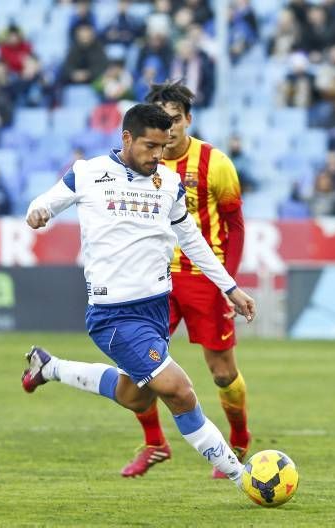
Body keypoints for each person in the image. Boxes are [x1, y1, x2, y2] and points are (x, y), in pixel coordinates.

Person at [21, 103, 256, 491]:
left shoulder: (168, 184)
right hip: (113, 315)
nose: (157, 156)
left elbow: (192, 241)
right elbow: (43, 202)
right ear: (126, 138)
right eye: (150, 146)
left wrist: (229, 287)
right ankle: (242, 477)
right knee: (179, 391)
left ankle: (49, 367)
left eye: (163, 148)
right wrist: (38, 213)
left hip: (155, 309)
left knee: (136, 398)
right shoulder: (88, 173)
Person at [100, 82, 251, 480]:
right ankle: (155, 443)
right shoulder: (144, 162)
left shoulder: (215, 164)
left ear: (188, 119)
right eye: (161, 122)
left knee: (221, 371)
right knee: (139, 368)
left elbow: (234, 224)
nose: (168, 131)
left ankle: (238, 440)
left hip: (203, 277)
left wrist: (227, 282)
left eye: (175, 121)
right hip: (155, 281)